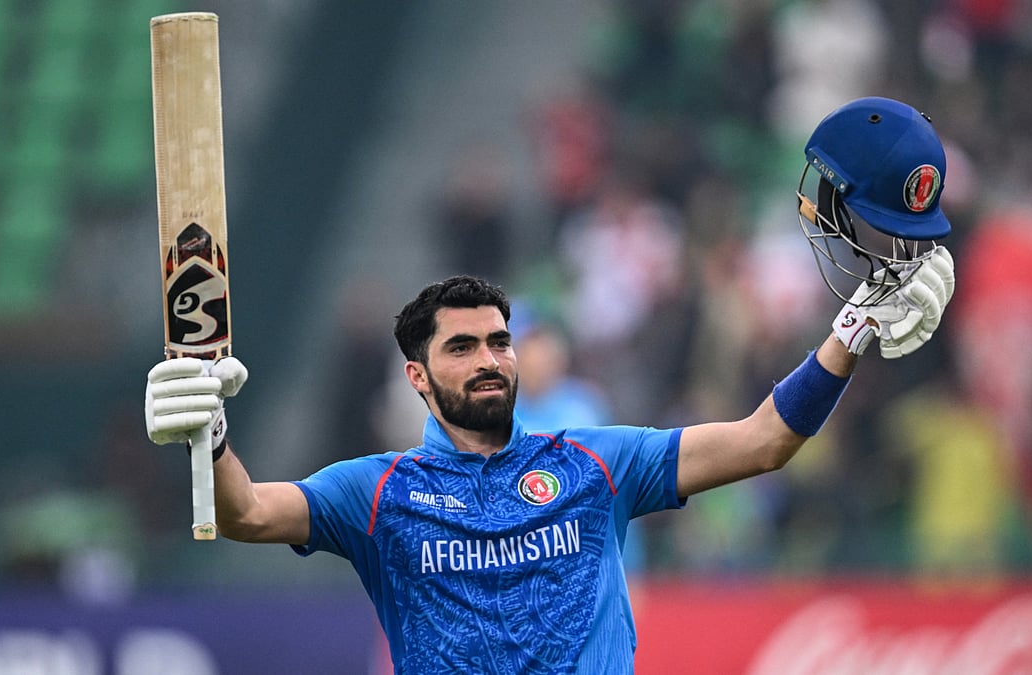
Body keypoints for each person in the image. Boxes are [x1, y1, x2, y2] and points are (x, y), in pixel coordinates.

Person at [143, 97, 956, 674]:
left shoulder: (595, 462)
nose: (490, 358)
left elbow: (763, 440)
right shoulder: (379, 491)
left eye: (500, 340)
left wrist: (849, 332)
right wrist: (208, 430)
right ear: (417, 378)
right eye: (463, 347)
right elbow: (245, 511)